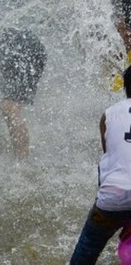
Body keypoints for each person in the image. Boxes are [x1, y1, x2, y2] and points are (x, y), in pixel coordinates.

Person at [70, 66, 131, 264]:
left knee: (87, 249)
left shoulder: (109, 114)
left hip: (113, 197)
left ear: (125, 88)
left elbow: (111, 157)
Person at [0, 28, 46, 159]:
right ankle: (0, 142)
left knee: (9, 107)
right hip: (25, 47)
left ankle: (22, 161)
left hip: (22, 47)